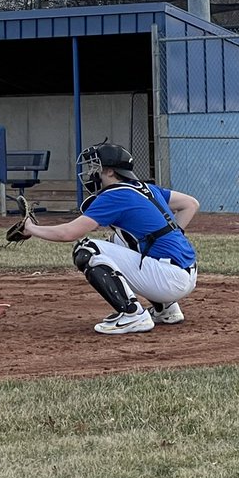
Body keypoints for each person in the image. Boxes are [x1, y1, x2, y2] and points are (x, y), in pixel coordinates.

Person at [11, 142, 199, 335]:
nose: (92, 173)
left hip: (168, 279)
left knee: (87, 249)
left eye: (96, 167)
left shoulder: (114, 194)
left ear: (110, 171)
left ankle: (133, 315)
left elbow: (69, 233)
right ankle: (166, 309)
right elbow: (190, 204)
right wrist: (171, 236)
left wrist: (31, 228)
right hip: (185, 273)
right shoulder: (146, 188)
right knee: (116, 241)